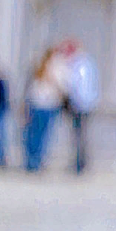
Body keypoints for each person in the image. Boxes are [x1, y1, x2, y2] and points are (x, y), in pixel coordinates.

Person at [59, 39, 99, 174]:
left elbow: (77, 86)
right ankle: (79, 162)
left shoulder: (80, 64)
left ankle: (79, 164)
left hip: (81, 105)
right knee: (79, 135)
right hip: (84, 104)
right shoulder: (85, 63)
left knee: (79, 135)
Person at [23, 48, 65, 172]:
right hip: (47, 104)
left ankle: (32, 160)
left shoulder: (38, 67)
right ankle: (36, 160)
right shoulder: (56, 69)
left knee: (34, 133)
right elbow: (61, 87)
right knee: (43, 135)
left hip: (36, 104)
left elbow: (29, 89)